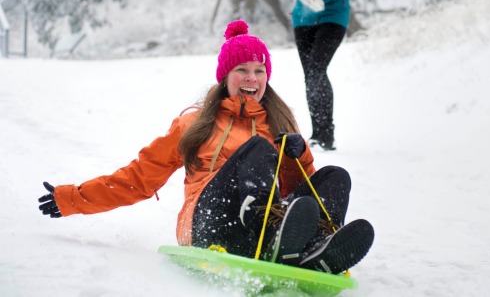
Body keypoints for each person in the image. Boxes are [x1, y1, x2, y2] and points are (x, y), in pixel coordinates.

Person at [37, 19, 373, 275]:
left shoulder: (280, 124)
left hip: (275, 224)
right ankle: (270, 237)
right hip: (208, 220)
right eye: (242, 70)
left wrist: (300, 155)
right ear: (226, 76)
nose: (252, 79)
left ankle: (315, 249)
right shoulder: (194, 125)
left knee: (335, 176)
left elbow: (302, 195)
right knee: (258, 149)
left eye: (259, 71)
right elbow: (138, 178)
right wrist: (72, 198)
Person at [286, 0, 356, 151]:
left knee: (316, 69)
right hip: (303, 16)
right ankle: (317, 135)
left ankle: (326, 135)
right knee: (310, 74)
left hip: (332, 14)